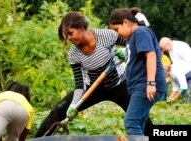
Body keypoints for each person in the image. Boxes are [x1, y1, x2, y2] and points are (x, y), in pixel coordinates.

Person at [35, 11, 153, 138]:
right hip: (93, 88)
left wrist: (126, 52)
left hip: (119, 84)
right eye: (66, 35)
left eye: (70, 33)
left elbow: (133, 43)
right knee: (59, 110)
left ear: (80, 28)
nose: (69, 38)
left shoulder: (106, 35)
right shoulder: (73, 54)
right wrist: (74, 104)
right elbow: (80, 84)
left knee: (141, 117)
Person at [108, 7, 167, 135]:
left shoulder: (141, 32)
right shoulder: (131, 39)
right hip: (139, 86)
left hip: (145, 84)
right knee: (139, 123)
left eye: (116, 30)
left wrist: (151, 83)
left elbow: (150, 56)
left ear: (125, 22)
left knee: (131, 121)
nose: (117, 34)